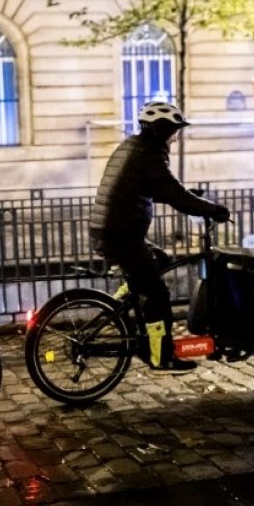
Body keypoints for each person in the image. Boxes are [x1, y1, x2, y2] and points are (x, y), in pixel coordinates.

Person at [89, 101, 230, 373]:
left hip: (111, 230)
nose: (175, 138)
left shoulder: (132, 147)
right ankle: (161, 356)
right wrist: (214, 210)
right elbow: (172, 193)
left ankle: (129, 297)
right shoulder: (149, 153)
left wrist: (191, 198)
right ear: (161, 130)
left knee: (160, 258)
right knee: (157, 295)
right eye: (174, 131)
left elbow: (158, 188)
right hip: (122, 235)